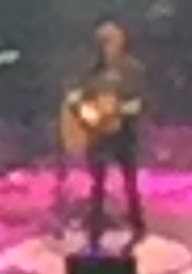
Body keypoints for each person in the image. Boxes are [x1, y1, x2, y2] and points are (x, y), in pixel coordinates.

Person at [60, 20, 147, 250]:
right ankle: (95, 229)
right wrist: (85, 112)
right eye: (105, 42)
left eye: (113, 41)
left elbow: (140, 102)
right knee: (97, 184)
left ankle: (137, 225)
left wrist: (119, 110)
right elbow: (74, 96)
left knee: (129, 181)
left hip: (124, 133)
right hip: (97, 135)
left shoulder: (133, 70)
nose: (109, 46)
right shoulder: (90, 71)